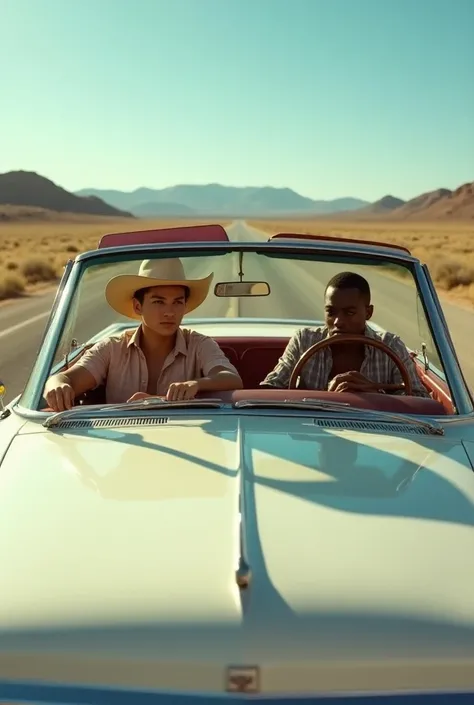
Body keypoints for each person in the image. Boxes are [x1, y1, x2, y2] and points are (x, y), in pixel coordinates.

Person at [44, 257, 243, 411]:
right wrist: (57, 385)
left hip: (186, 436)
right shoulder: (112, 348)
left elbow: (231, 378)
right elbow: (64, 379)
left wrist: (196, 384)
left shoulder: (199, 344)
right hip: (127, 442)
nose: (169, 312)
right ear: (138, 306)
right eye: (158, 302)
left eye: (177, 302)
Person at [260, 271, 430, 397]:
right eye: (331, 312)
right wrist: (325, 396)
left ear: (368, 313)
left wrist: (375, 393)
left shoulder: (390, 345)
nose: (337, 322)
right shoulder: (304, 341)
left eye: (349, 313)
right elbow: (270, 388)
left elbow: (420, 399)